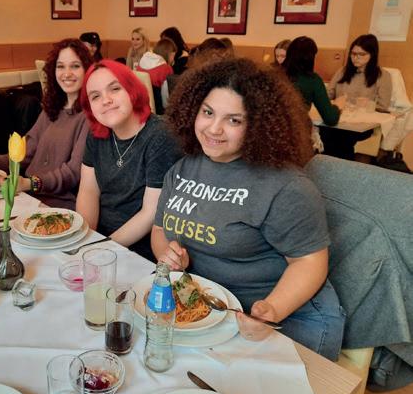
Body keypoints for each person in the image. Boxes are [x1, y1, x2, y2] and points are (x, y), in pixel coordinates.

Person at [152, 58, 345, 360]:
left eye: (234, 120)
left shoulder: (286, 186)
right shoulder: (183, 168)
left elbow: (309, 262)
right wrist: (170, 255)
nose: (214, 128)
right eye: (208, 112)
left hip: (289, 316)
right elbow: (160, 230)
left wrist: (273, 309)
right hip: (215, 309)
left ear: (258, 125)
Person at [0, 38, 92, 210]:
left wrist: (30, 183)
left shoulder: (89, 116)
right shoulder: (52, 109)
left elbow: (72, 173)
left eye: (75, 66)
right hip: (27, 196)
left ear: (87, 70)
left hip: (57, 204)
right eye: (61, 66)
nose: (67, 73)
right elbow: (21, 155)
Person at [77, 59, 181, 261]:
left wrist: (101, 248)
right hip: (100, 239)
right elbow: (88, 190)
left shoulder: (161, 135)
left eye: (115, 89)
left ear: (132, 90)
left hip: (141, 250)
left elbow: (150, 213)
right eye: (95, 96)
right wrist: (84, 239)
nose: (106, 100)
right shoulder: (96, 133)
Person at [328, 34, 392, 112]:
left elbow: (383, 106)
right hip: (339, 113)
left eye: (361, 54)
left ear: (372, 55)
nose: (355, 58)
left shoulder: (383, 76)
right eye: (353, 53)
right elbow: (328, 94)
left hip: (364, 115)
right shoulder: (342, 71)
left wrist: (365, 105)